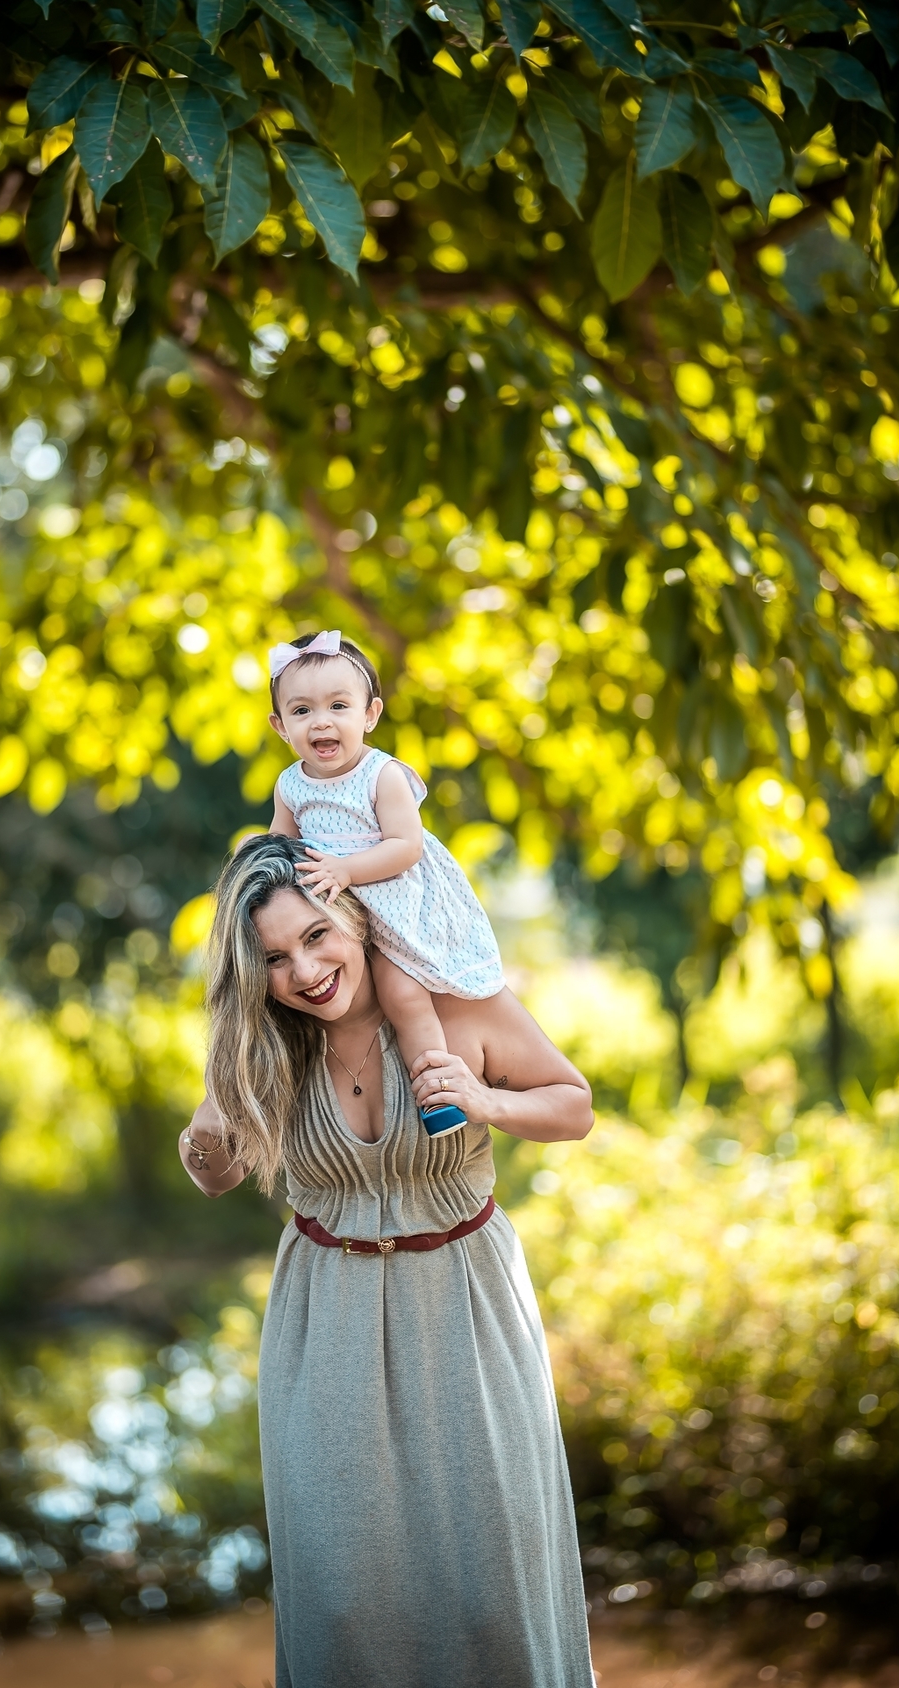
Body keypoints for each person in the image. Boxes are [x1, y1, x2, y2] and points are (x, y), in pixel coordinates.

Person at [179, 834, 596, 1688]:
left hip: (468, 1312)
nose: (304, 969)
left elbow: (574, 1105)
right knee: (344, 1596)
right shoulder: (266, 1048)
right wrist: (213, 1113)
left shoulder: (459, 1008)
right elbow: (214, 1174)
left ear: (358, 917)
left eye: (317, 935)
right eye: (274, 958)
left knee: (493, 1585)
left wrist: (483, 1100)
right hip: (325, 1324)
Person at [266, 628, 505, 1136]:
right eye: (302, 711)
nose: (321, 722)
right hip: (337, 916)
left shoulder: (382, 775)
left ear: (370, 714)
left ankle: (439, 1094)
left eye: (338, 706)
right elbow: (280, 849)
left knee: (402, 995)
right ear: (281, 726)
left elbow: (405, 846)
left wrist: (347, 870)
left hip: (394, 902)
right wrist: (256, 852)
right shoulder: (290, 785)